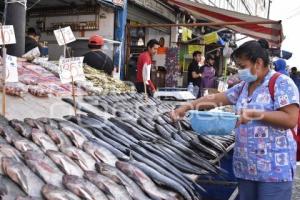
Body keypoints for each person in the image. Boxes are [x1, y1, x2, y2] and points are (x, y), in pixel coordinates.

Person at [171, 39, 299, 200]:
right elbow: (217, 98)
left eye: (242, 66)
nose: (239, 71)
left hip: (273, 171)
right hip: (246, 168)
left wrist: (254, 114)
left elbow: (290, 119)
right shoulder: (245, 85)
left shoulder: (282, 83)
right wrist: (188, 106)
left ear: (258, 63)